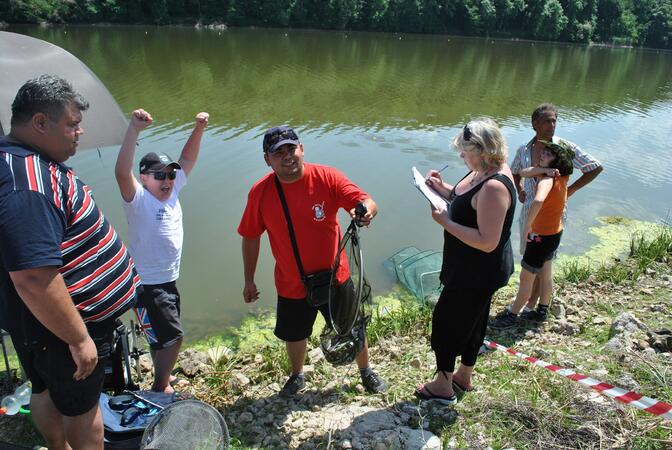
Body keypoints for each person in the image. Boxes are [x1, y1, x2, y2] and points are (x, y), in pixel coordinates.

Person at [0, 75, 140, 449]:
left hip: (45, 326)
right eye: (72, 125)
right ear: (40, 123)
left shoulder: (26, 162)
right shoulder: (27, 183)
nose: (80, 133)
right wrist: (78, 339)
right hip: (66, 326)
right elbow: (33, 276)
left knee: (45, 391)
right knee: (83, 409)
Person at [238, 125, 388, 397]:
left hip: (335, 276)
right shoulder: (259, 193)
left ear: (302, 149)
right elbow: (250, 236)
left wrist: (366, 212)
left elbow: (365, 200)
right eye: (278, 152)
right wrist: (249, 280)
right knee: (294, 335)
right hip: (292, 282)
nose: (287, 156)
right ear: (267, 159)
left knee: (352, 327)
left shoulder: (327, 178)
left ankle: (366, 370)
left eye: (291, 148)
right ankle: (297, 375)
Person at [416, 118, 516, 404]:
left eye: (465, 151)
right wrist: (440, 188)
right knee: (474, 321)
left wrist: (445, 222)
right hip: (470, 267)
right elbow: (466, 203)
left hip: (477, 271)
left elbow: (487, 241)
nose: (461, 156)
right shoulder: (481, 172)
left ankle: (443, 386)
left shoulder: (495, 186)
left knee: (445, 323)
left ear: (484, 151)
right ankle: (464, 376)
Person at [115, 108, 209, 393]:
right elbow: (121, 172)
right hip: (147, 285)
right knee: (173, 338)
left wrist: (199, 128)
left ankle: (162, 381)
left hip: (167, 281)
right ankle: (159, 389)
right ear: (144, 178)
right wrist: (133, 129)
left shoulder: (173, 191)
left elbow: (188, 158)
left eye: (170, 174)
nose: (167, 180)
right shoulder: (139, 199)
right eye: (159, 175)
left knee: (159, 338)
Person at [508, 103, 603, 316]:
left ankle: (528, 306)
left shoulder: (562, 149)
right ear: (535, 124)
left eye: (554, 120)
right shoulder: (524, 150)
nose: (552, 125)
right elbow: (517, 170)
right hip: (529, 213)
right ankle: (536, 305)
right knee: (535, 262)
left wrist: (571, 190)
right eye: (546, 121)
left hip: (549, 219)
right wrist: (519, 189)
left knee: (536, 264)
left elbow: (594, 166)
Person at [492, 140, 574, 329]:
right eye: (543, 152)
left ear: (557, 163)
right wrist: (543, 169)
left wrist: (528, 225)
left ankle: (512, 315)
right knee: (546, 273)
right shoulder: (562, 177)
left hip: (539, 236)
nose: (543, 155)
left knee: (526, 278)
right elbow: (523, 173)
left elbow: (538, 200)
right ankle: (542, 311)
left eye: (548, 155)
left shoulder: (547, 180)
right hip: (555, 233)